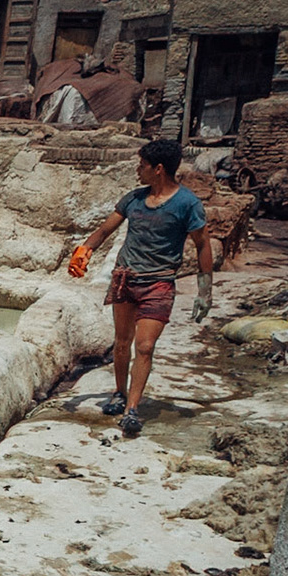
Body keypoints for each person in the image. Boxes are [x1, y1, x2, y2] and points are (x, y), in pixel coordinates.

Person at [68, 138, 213, 438]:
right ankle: (119, 393)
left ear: (158, 169)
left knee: (144, 346)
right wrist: (85, 250)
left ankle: (131, 410)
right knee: (122, 343)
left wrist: (205, 291)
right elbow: (106, 229)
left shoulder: (187, 204)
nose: (138, 171)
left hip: (158, 283)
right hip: (125, 278)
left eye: (142, 166)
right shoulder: (133, 199)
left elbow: (202, 244)